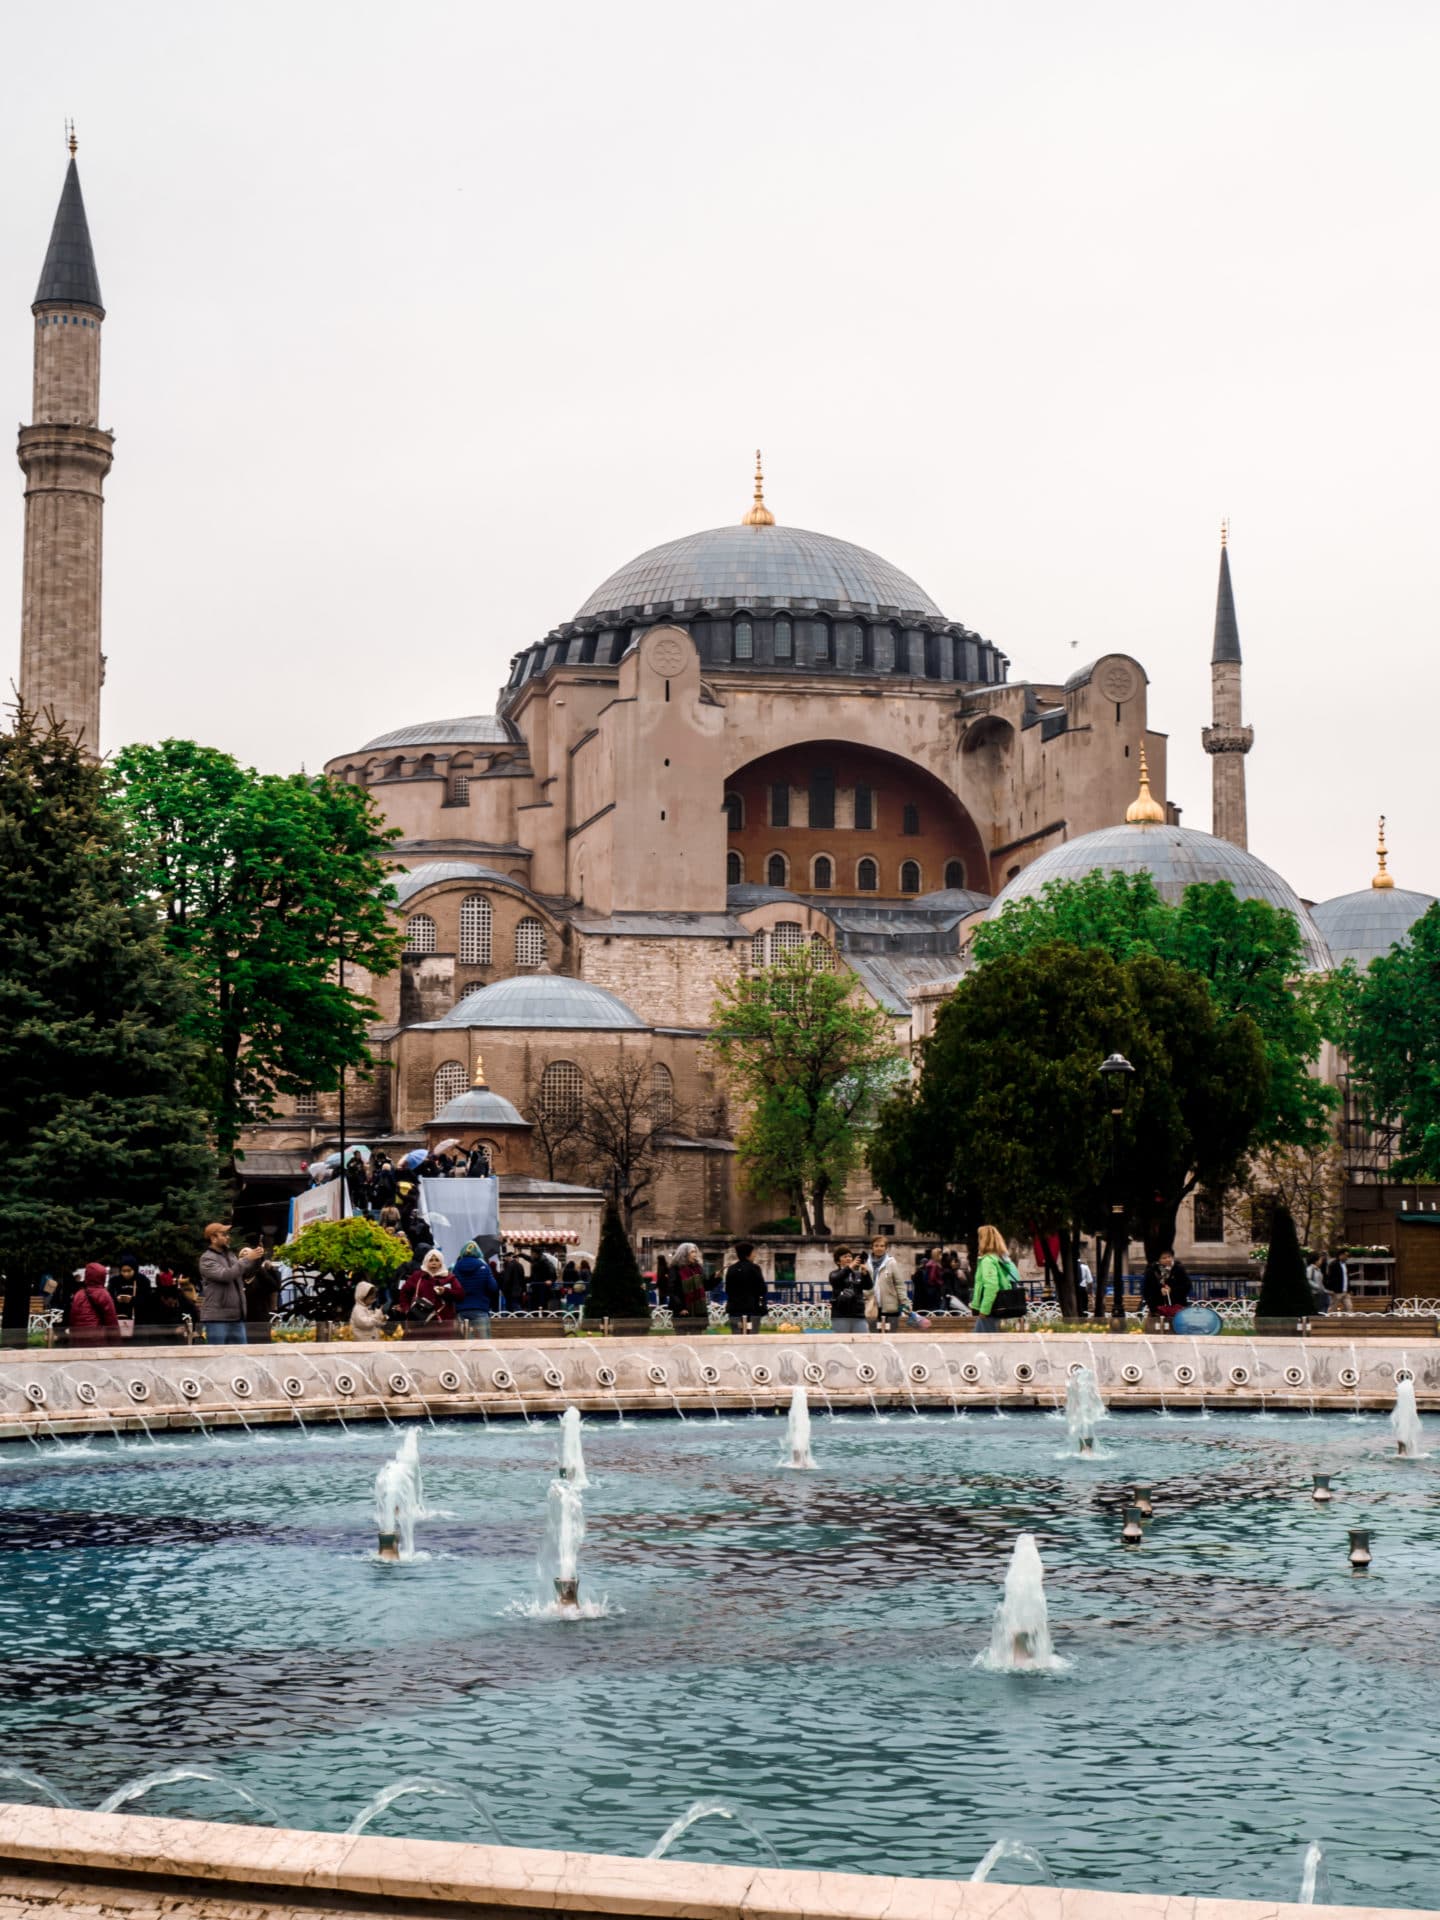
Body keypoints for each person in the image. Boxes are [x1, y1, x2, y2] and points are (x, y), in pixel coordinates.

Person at [198, 1223, 264, 1346]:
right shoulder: (206, 1259)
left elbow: (245, 1273)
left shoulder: (231, 1255)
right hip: (217, 1319)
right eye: (223, 1234)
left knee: (241, 1358)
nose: (227, 1237)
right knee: (218, 1358)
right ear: (213, 1238)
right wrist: (246, 1259)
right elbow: (226, 1276)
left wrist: (257, 1258)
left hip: (236, 1317)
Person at [396, 1248, 460, 1332]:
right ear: (426, 1262)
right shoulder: (417, 1276)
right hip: (419, 1324)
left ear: (441, 1262)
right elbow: (404, 1292)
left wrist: (445, 1291)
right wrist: (407, 1309)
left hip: (443, 1325)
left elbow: (460, 1294)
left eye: (437, 1260)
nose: (434, 1263)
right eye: (431, 1260)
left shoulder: (449, 1277)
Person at [970, 1225, 1018, 1332]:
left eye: (980, 1237)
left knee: (978, 1344)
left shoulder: (988, 1260)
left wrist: (984, 1310)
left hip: (990, 1310)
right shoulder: (1001, 1259)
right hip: (1000, 1307)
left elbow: (992, 1286)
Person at [135, 1268, 198, 1339]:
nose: (172, 1305)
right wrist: (173, 1331)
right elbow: (151, 1328)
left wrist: (192, 1330)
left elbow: (194, 1319)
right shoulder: (152, 1305)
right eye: (170, 1303)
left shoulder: (185, 1303)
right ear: (162, 1298)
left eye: (174, 1302)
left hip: (182, 1341)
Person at [453, 1239, 499, 1336]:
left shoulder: (456, 1267)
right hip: (480, 1308)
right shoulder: (484, 1266)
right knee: (484, 1344)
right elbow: (493, 1287)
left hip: (461, 1309)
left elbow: (454, 1288)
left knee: (465, 1343)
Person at [66, 1262, 120, 1345]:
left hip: (79, 1339)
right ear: (102, 1277)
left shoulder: (79, 1294)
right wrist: (116, 1342)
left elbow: (73, 1317)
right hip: (97, 1339)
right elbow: (111, 1320)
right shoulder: (104, 1294)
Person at [724, 1240, 767, 1334]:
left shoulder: (731, 1269)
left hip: (735, 1309)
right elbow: (762, 1289)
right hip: (753, 1309)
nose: (754, 1255)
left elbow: (728, 1290)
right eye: (753, 1252)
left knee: (737, 1335)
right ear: (748, 1254)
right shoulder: (755, 1268)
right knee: (752, 1336)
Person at [1141, 1249, 1191, 1330]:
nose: (1168, 1259)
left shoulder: (1179, 1269)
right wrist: (1159, 1291)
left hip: (1177, 1309)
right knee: (1155, 1332)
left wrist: (1172, 1290)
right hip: (1157, 1309)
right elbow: (1146, 1290)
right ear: (1158, 1260)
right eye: (1164, 1258)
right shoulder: (1152, 1271)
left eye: (1169, 1257)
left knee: (1175, 1332)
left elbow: (1187, 1286)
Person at [867, 1235, 909, 1332]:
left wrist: (905, 1302)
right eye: (876, 1246)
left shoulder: (891, 1263)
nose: (879, 1248)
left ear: (886, 1248)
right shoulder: (866, 1264)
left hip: (890, 1307)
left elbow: (899, 1284)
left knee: (891, 1334)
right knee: (873, 1335)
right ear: (872, 1247)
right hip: (871, 1307)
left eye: (882, 1246)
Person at [828, 1246, 871, 1334]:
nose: (848, 1258)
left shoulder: (857, 1274)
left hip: (858, 1315)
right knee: (841, 1343)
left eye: (850, 1256)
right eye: (844, 1256)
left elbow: (868, 1286)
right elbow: (836, 1279)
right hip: (840, 1316)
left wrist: (865, 1274)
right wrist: (850, 1267)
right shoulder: (834, 1274)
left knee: (863, 1341)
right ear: (838, 1261)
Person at [671, 1242, 710, 1329]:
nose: (695, 1254)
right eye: (692, 1252)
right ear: (684, 1254)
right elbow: (672, 1291)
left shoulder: (698, 1268)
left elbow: (706, 1286)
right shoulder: (675, 1268)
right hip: (683, 1310)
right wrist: (680, 1308)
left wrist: (716, 1277)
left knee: (697, 1339)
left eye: (695, 1252)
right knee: (682, 1340)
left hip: (698, 1311)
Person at [913, 1245, 946, 1313]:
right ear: (936, 1255)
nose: (941, 1256)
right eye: (940, 1254)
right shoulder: (934, 1265)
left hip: (929, 1290)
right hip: (934, 1290)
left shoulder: (930, 1264)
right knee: (935, 1309)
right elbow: (932, 1278)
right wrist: (940, 1282)